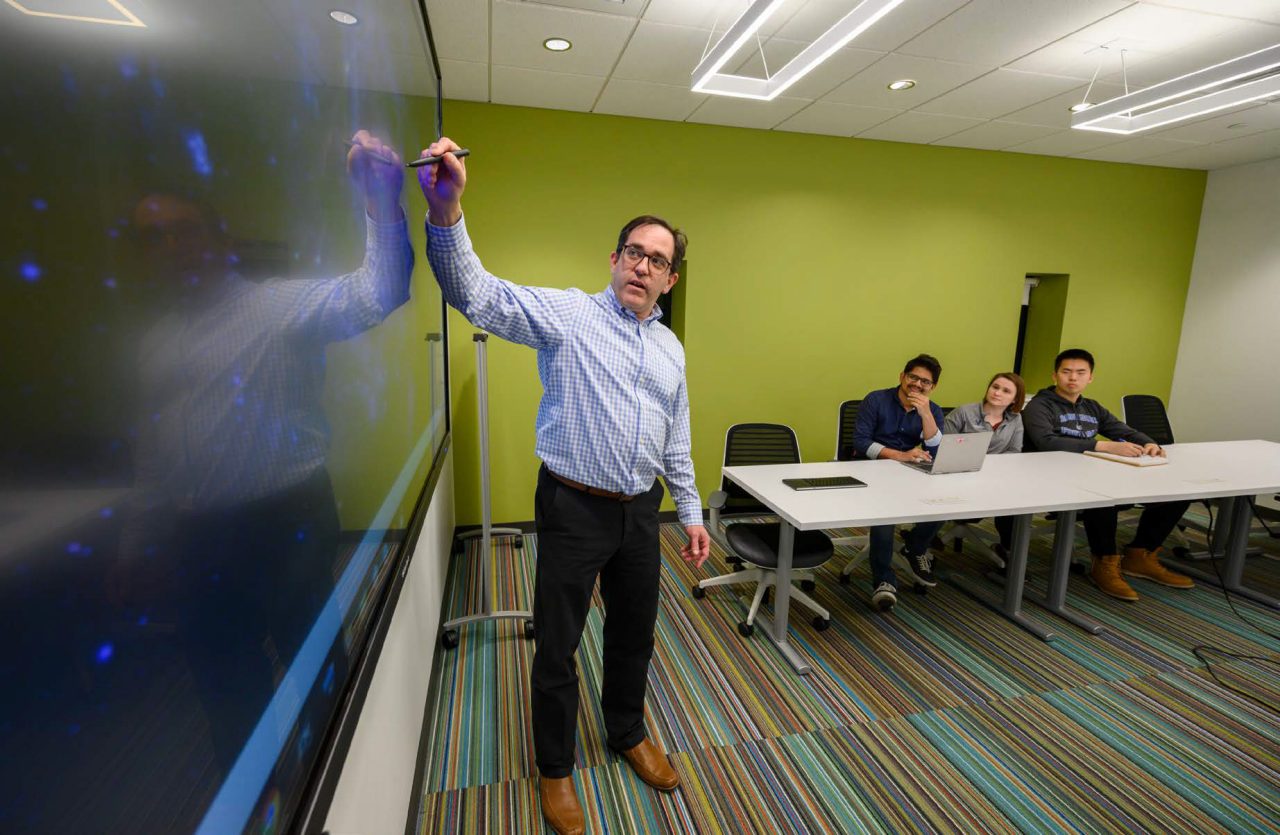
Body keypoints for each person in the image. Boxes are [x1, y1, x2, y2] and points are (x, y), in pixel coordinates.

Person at [417, 137, 710, 835]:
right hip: (574, 506)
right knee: (558, 644)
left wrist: (691, 511)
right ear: (614, 260)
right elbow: (477, 295)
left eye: (658, 260)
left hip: (643, 513)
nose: (643, 265)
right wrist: (448, 210)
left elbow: (677, 437)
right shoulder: (569, 316)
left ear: (671, 279)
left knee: (635, 633)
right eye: (633, 252)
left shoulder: (671, 349)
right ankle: (555, 769)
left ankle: (627, 730)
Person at [113, 130, 415, 773]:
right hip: (196, 535)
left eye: (184, 230)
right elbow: (153, 456)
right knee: (226, 691)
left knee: (317, 673)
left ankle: (346, 784)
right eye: (152, 237)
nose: (171, 248)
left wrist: (382, 199)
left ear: (218, 238)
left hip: (285, 523)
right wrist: (138, 542)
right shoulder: (154, 345)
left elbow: (378, 292)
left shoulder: (277, 308)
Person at [1021, 348, 1194, 601]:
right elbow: (1046, 441)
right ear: (1055, 375)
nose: (1073, 378)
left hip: (1091, 471)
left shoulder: (1092, 407)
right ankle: (1104, 562)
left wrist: (1149, 443)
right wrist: (1102, 445)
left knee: (1178, 492)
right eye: (1066, 372)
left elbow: (1121, 429)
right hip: (1051, 476)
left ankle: (1140, 554)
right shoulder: (1039, 405)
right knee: (1103, 498)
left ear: (1090, 377)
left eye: (1081, 373)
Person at [852, 354, 946, 611]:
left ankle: (915, 547)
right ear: (902, 377)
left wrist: (925, 413)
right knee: (886, 513)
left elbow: (935, 450)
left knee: (944, 498)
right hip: (872, 469)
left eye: (925, 381)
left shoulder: (932, 409)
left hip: (910, 471)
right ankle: (884, 580)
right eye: (913, 377)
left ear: (932, 387)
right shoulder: (876, 400)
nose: (917, 384)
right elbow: (860, 442)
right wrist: (900, 455)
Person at [943, 371, 1026, 557]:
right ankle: (922, 544)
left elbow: (1014, 453)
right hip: (959, 476)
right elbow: (945, 448)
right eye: (995, 387)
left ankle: (1008, 550)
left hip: (995, 478)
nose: (997, 393)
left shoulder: (1016, 419)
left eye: (1006, 391)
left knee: (1015, 502)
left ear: (1014, 399)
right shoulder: (964, 412)